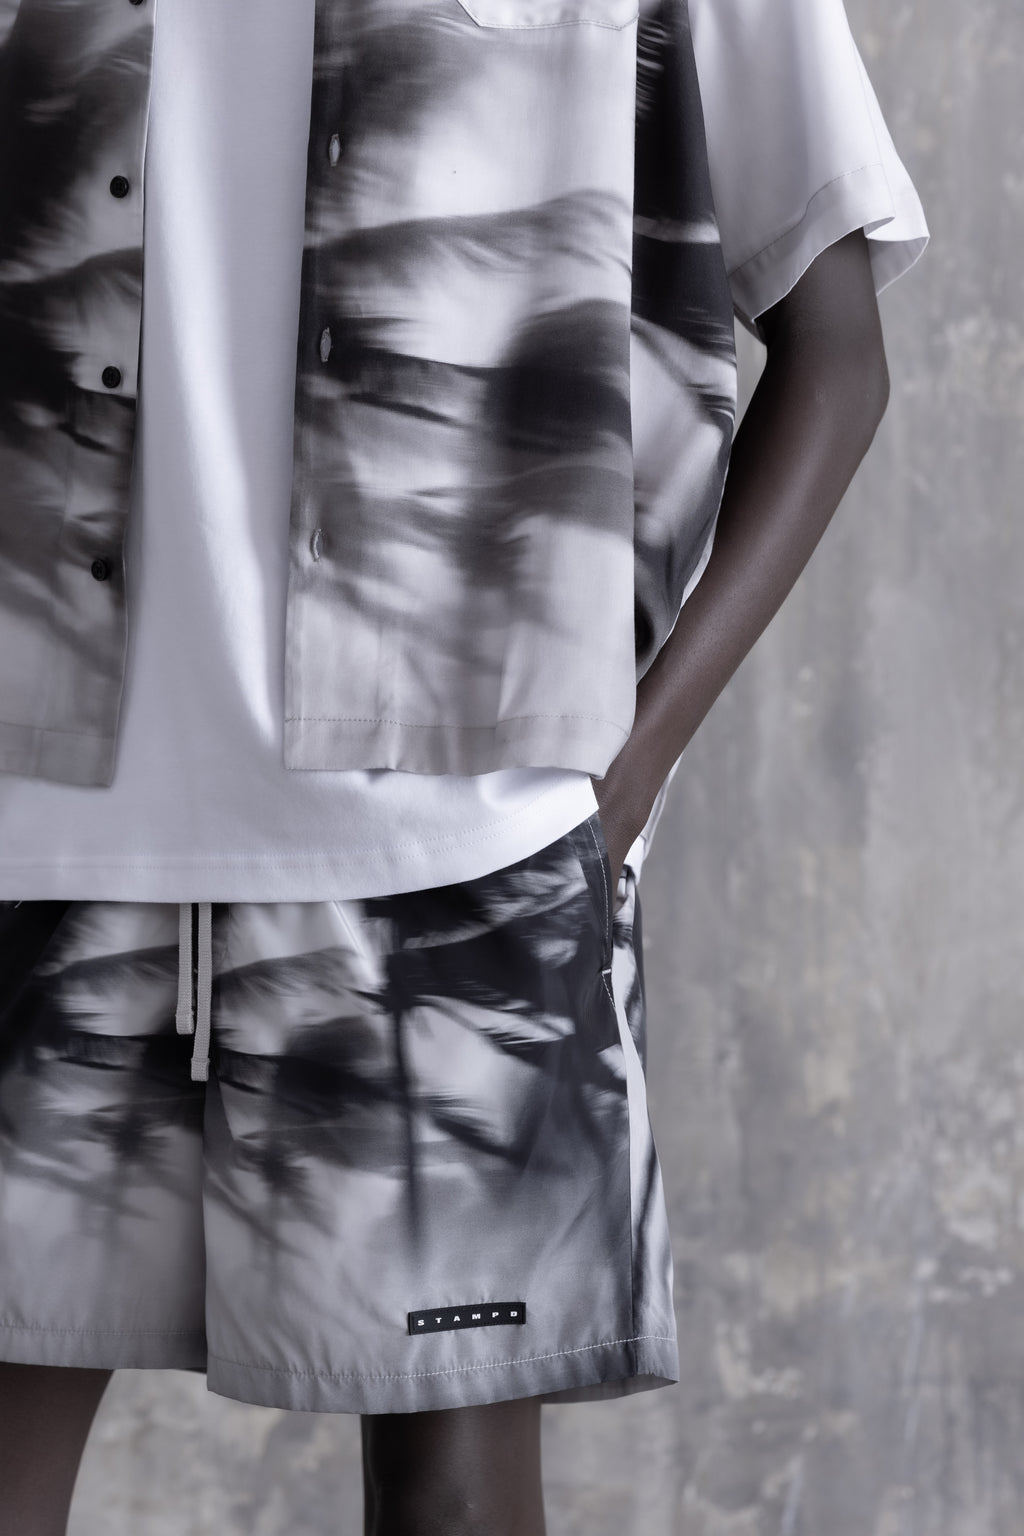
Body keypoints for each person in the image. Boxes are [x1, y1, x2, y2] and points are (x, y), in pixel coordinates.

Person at [0, 0, 927, 1530]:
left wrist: (630, 768)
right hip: (28, 825)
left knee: (455, 1496)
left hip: (454, 842)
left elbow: (837, 355)